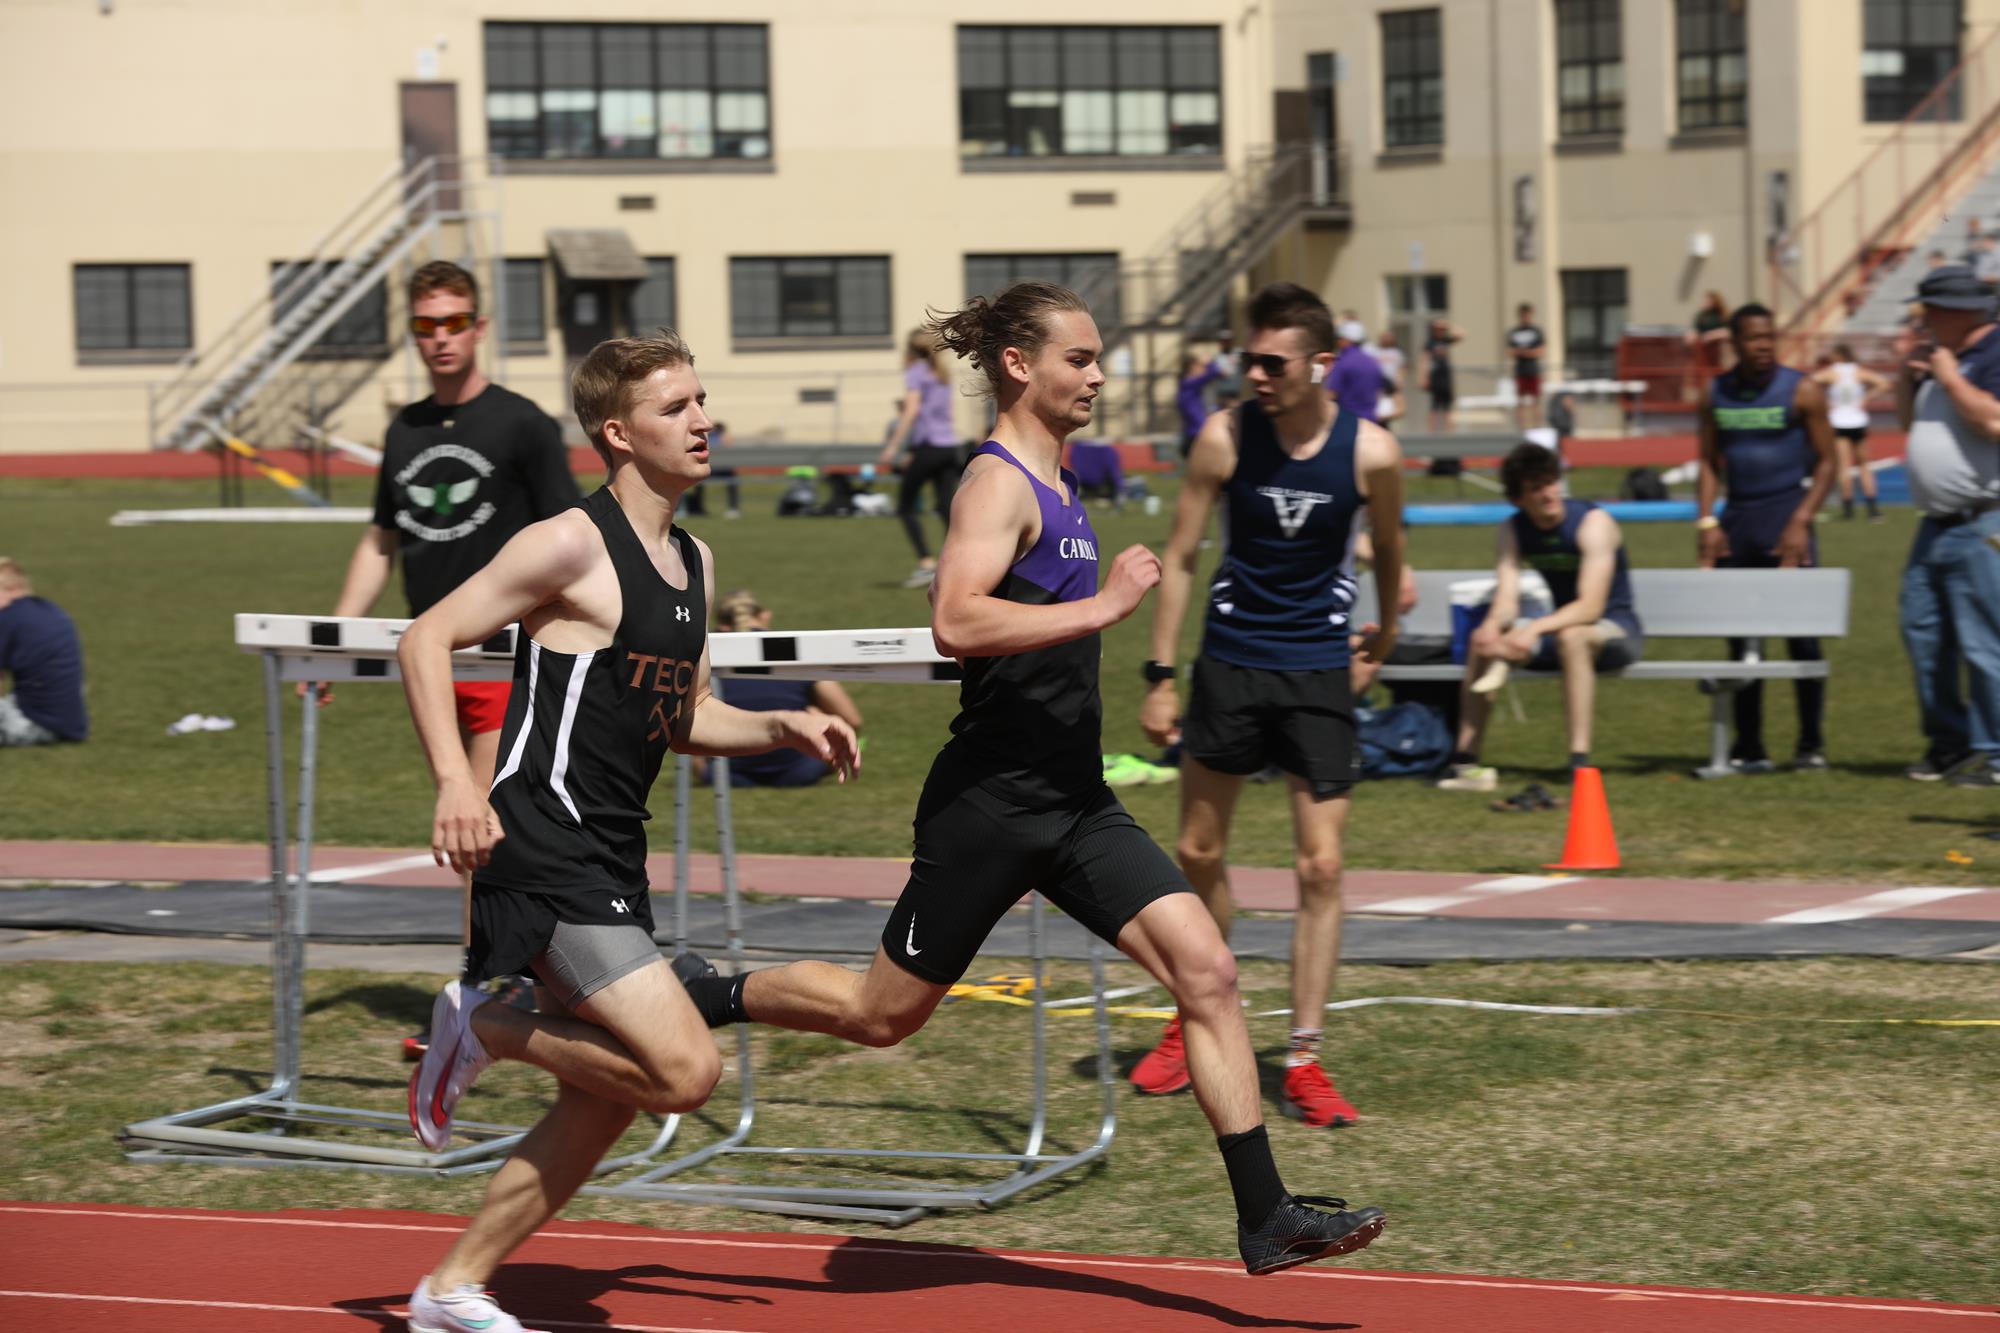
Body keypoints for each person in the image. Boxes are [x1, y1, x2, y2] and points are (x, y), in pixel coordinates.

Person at [678, 281, 1388, 1275]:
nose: (1097, 375)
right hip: (990, 804)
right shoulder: (996, 483)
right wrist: (1102, 609)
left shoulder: (1058, 480)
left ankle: (1264, 1215)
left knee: (1208, 970)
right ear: (1019, 364)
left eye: (1097, 359)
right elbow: (957, 619)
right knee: (882, 1018)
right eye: (1079, 358)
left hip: (1076, 802)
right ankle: (715, 990)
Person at [399, 330, 859, 1333]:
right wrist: (451, 781)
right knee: (686, 1071)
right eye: (675, 407)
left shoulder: (693, 557)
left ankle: (451, 1287)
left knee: (607, 1097)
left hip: (611, 857)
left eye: (702, 401)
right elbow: (423, 636)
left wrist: (778, 722)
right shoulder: (566, 542)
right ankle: (482, 1023)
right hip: (539, 843)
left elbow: (680, 715)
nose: (702, 420)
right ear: (617, 432)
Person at [1133, 282, 1404, 1127]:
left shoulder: (1373, 453)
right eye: (1248, 357)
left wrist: (1384, 637)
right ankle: (1200, 1008)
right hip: (1232, 666)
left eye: (1271, 361)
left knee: (1320, 866)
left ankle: (1305, 1057)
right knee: (1196, 850)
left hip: (1319, 670)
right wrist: (1159, 672)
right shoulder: (1223, 436)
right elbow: (1179, 557)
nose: (1253, 372)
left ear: (1322, 365)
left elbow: (1394, 553)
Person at [321, 261, 584, 1053]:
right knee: (481, 827)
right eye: (426, 325)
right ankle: (522, 987)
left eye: (454, 321)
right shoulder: (403, 430)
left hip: (510, 659)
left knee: (478, 820)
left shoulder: (524, 425)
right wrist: (335, 635)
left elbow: (574, 537)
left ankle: (484, 996)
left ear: (479, 326)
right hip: (434, 664)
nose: (440, 338)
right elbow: (382, 537)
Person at [1436, 444, 1644, 793]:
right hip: (1561, 629)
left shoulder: (1593, 523)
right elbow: (1506, 601)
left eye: (1550, 482)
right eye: (1535, 488)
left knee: (1573, 636)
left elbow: (1591, 607)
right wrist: (1491, 627)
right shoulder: (1512, 530)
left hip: (1615, 631)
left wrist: (1533, 629)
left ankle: (1580, 762)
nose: (1548, 493)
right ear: (1518, 499)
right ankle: (1466, 763)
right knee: (1481, 641)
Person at [1696, 304, 1836, 774]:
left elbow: (1828, 463)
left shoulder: (1802, 390)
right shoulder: (1716, 393)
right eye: (1754, 338)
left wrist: (1801, 520)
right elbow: (1707, 463)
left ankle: (1810, 743)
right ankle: (1750, 745)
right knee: (1741, 641)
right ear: (1733, 342)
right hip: (1738, 524)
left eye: (1770, 336)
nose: (1763, 346)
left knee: (1803, 640)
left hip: (1785, 520)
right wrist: (1706, 523)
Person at [1899, 264, 2000, 787]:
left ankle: (1995, 753)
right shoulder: (1948, 359)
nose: (1924, 321)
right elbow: (1907, 426)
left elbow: (1993, 422)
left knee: (1986, 643)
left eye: (1931, 311)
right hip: (1935, 523)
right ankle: (1951, 744)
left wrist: (1951, 377)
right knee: (1922, 632)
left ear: (1962, 311)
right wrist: (1908, 374)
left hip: (1983, 521)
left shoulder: (1991, 354)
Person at [705, 589, 865, 788]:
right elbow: (852, 719)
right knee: (822, 719)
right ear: (765, 615)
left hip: (727, 772)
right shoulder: (791, 649)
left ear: (722, 625)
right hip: (799, 768)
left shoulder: (706, 655)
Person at [878, 328, 964, 588]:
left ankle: (926, 564)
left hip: (929, 448)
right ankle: (960, 565)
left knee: (905, 506)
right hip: (948, 447)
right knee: (946, 507)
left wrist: (894, 446)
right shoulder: (941, 373)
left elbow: (912, 410)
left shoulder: (915, 371)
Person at [0, 558, 87, 747]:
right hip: (70, 725)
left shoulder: (7, 618)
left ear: (8, 590)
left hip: (34, 725)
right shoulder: (52, 611)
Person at [1813, 344, 1890, 521]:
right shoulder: (1859, 372)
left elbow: (1809, 382)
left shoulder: (1831, 372)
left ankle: (1848, 511)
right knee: (1864, 465)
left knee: (1844, 467)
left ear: (1838, 355)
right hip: (1858, 421)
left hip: (1838, 421)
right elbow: (1884, 383)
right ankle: (1873, 510)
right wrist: (1866, 398)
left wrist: (1824, 402)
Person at [681, 419, 740, 519]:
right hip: (714, 469)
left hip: (716, 469)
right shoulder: (711, 438)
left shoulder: (712, 437)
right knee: (700, 482)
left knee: (730, 479)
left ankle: (698, 507)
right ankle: (732, 508)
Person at [1328, 319, 1383, 425]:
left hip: (1346, 422)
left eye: (1339, 338)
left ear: (1346, 340)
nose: (1337, 342)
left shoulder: (1342, 362)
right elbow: (1378, 392)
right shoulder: (1372, 362)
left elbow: (1331, 394)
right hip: (1371, 421)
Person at [1507, 303, 1546, 431]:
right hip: (1520, 371)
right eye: (1523, 314)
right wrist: (1526, 352)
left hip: (1533, 370)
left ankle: (1537, 428)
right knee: (1520, 401)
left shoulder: (1537, 331)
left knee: (1536, 402)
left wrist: (1524, 352)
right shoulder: (1514, 332)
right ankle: (1521, 429)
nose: (1526, 317)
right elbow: (1510, 352)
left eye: (1528, 314)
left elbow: (1541, 351)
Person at [1178, 351, 1225, 456]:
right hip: (1197, 433)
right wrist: (1208, 362)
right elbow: (1213, 372)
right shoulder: (1190, 383)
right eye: (1199, 366)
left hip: (1193, 433)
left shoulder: (1185, 385)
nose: (1202, 369)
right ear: (1191, 368)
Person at [1424, 317, 1462, 432]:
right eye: (1438, 329)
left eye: (1442, 329)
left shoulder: (1445, 340)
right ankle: (1431, 431)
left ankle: (1449, 431)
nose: (1440, 331)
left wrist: (1448, 325)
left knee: (1447, 407)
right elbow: (1424, 359)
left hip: (1445, 377)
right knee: (1434, 406)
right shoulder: (1430, 342)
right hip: (1435, 377)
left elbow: (1460, 335)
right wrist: (1424, 377)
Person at [1369, 328, 1406, 425]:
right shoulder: (1373, 351)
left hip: (1390, 384)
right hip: (1377, 383)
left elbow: (1400, 368)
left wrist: (1399, 382)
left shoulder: (1397, 353)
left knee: (1391, 407)